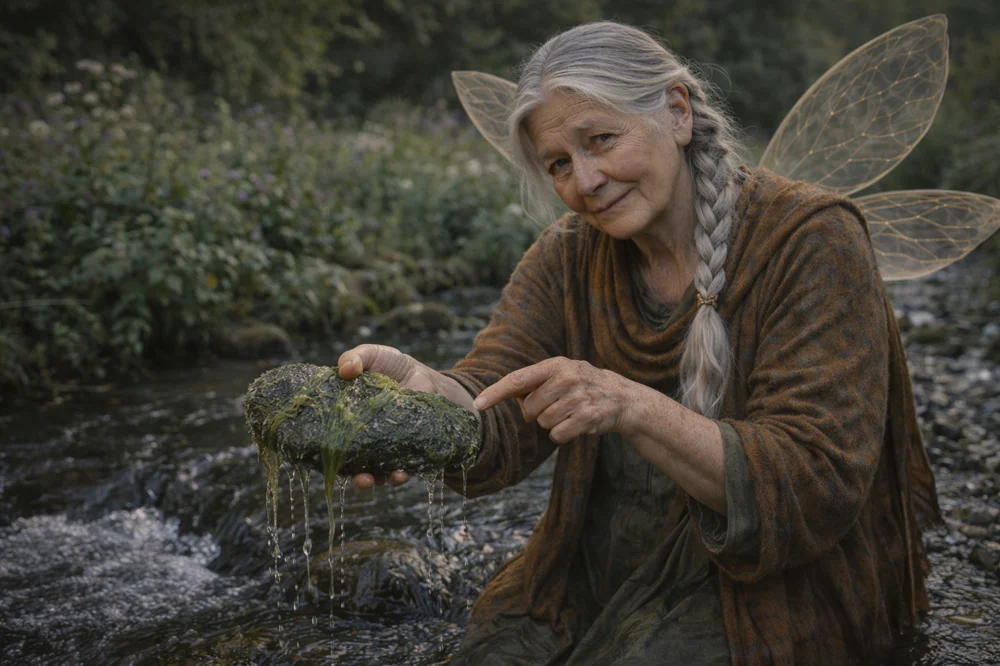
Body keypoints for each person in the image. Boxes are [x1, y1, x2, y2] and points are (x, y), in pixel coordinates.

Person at [337, 22, 939, 666]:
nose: (586, 181)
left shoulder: (812, 239)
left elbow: (814, 483)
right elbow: (496, 405)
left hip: (770, 591)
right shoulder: (566, 256)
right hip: (594, 576)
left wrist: (629, 406)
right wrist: (428, 397)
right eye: (559, 165)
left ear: (677, 113)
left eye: (601, 140)